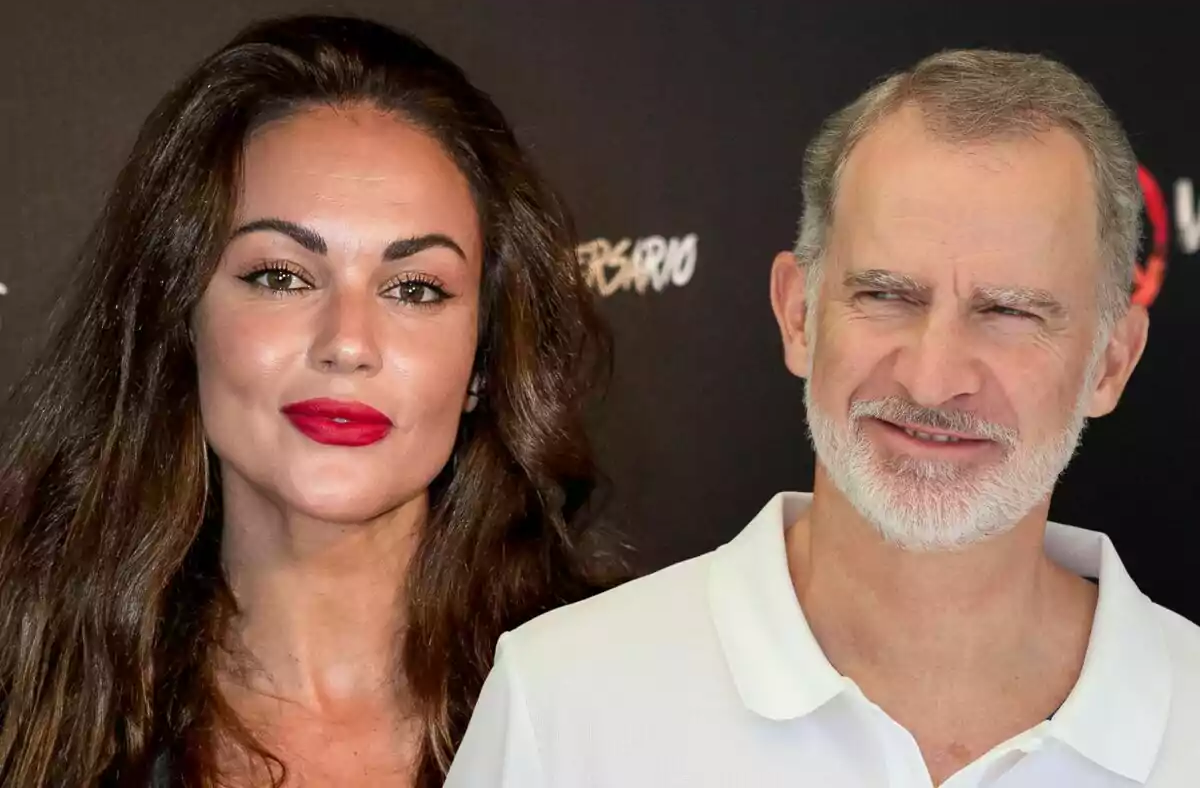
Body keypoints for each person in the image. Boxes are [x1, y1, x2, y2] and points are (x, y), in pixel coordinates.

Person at [446, 49, 1200, 787]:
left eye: (1007, 312)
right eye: (885, 296)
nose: (932, 379)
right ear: (798, 314)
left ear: (1110, 362)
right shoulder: (564, 702)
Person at [0, 14, 620, 788]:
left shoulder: (623, 690)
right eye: (281, 276)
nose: (348, 342)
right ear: (180, 319)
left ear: (482, 363)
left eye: (415, 288)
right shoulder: (26, 690)